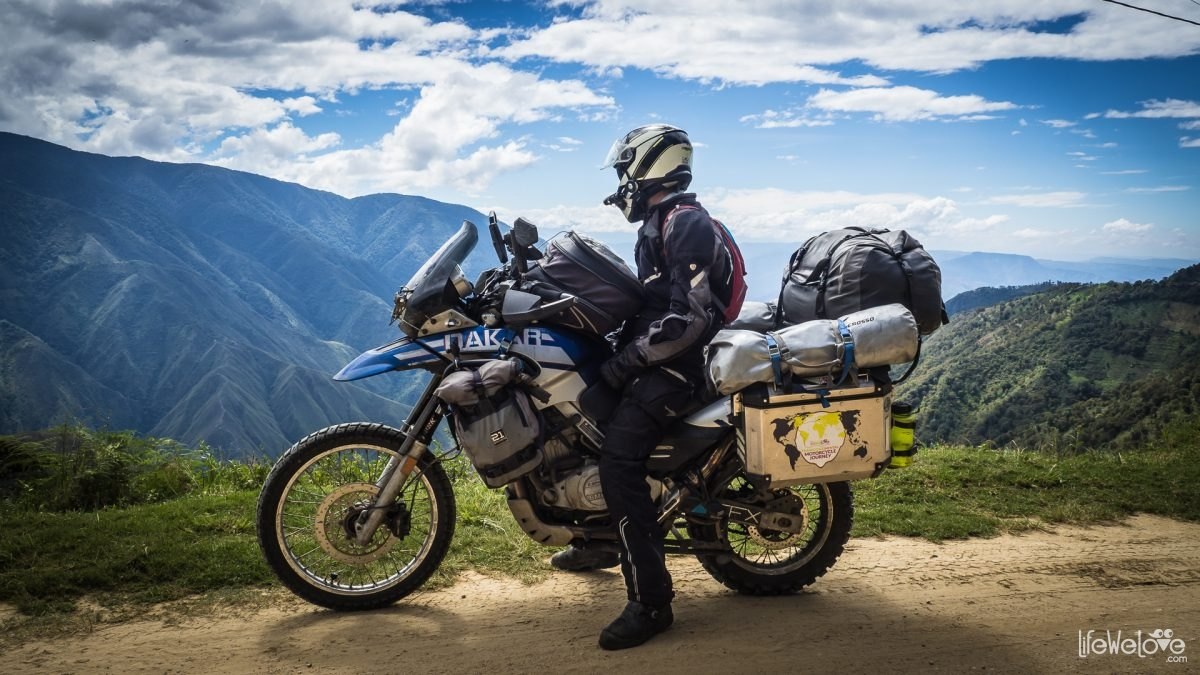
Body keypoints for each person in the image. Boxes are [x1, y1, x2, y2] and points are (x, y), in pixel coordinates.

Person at [551, 124, 735, 650]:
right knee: (580, 419)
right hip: (657, 359)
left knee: (619, 461)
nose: (619, 182)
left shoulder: (687, 223)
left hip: (681, 369)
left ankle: (651, 603)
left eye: (623, 170)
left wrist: (627, 361)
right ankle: (596, 539)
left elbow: (692, 317)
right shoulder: (658, 225)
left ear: (648, 167)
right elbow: (651, 305)